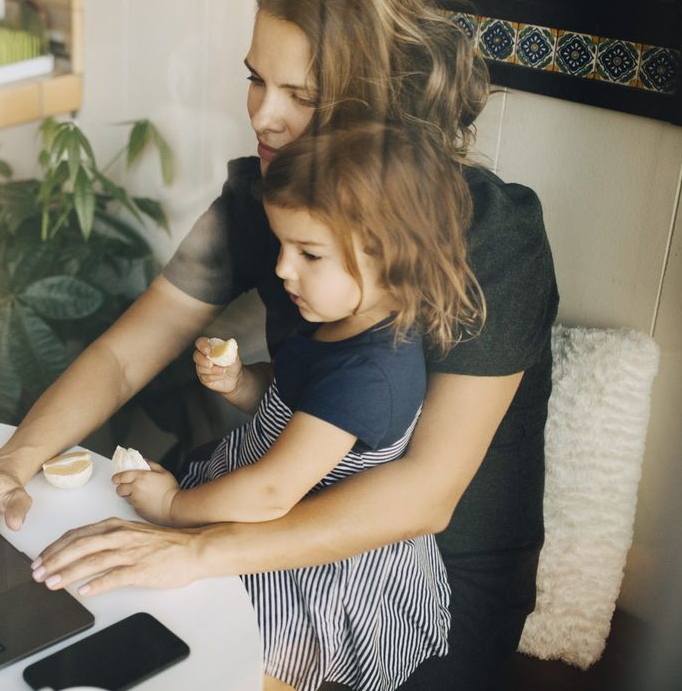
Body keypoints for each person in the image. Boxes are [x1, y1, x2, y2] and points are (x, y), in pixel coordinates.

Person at [0, 0, 559, 690]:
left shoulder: (495, 237)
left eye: (302, 96)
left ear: (382, 98)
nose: (265, 118)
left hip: (421, 589)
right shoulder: (264, 198)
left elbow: (425, 494)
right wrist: (8, 463)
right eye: (256, 80)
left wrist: (196, 550)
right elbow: (126, 353)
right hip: (263, 526)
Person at [114, 122, 484, 690]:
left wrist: (172, 506)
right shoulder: (336, 322)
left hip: (311, 563)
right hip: (263, 508)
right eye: (283, 245)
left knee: (234, 661)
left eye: (310, 253)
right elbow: (288, 406)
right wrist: (241, 383)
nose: (284, 268)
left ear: (393, 259)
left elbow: (271, 492)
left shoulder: (371, 374)